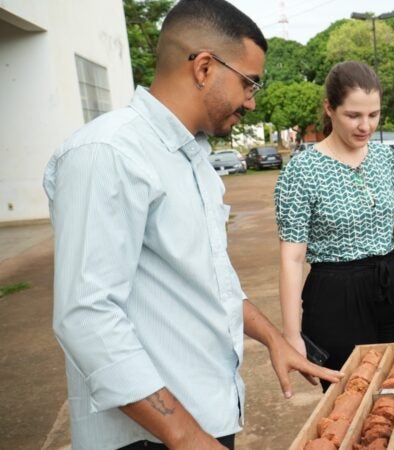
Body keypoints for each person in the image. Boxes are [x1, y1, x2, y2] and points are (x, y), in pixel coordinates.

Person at [43, 1, 341, 449]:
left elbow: (208, 279)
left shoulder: (193, 156)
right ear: (204, 67)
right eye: (248, 82)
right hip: (150, 436)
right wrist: (183, 435)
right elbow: (87, 316)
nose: (251, 100)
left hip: (204, 417)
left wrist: (272, 339)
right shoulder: (107, 153)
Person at [275, 61, 394, 385]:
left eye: (373, 115)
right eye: (354, 115)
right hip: (336, 296)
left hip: (391, 286)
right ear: (329, 108)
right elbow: (292, 258)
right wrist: (291, 336)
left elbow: (391, 212)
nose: (366, 126)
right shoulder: (302, 171)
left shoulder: (384, 159)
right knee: (350, 399)